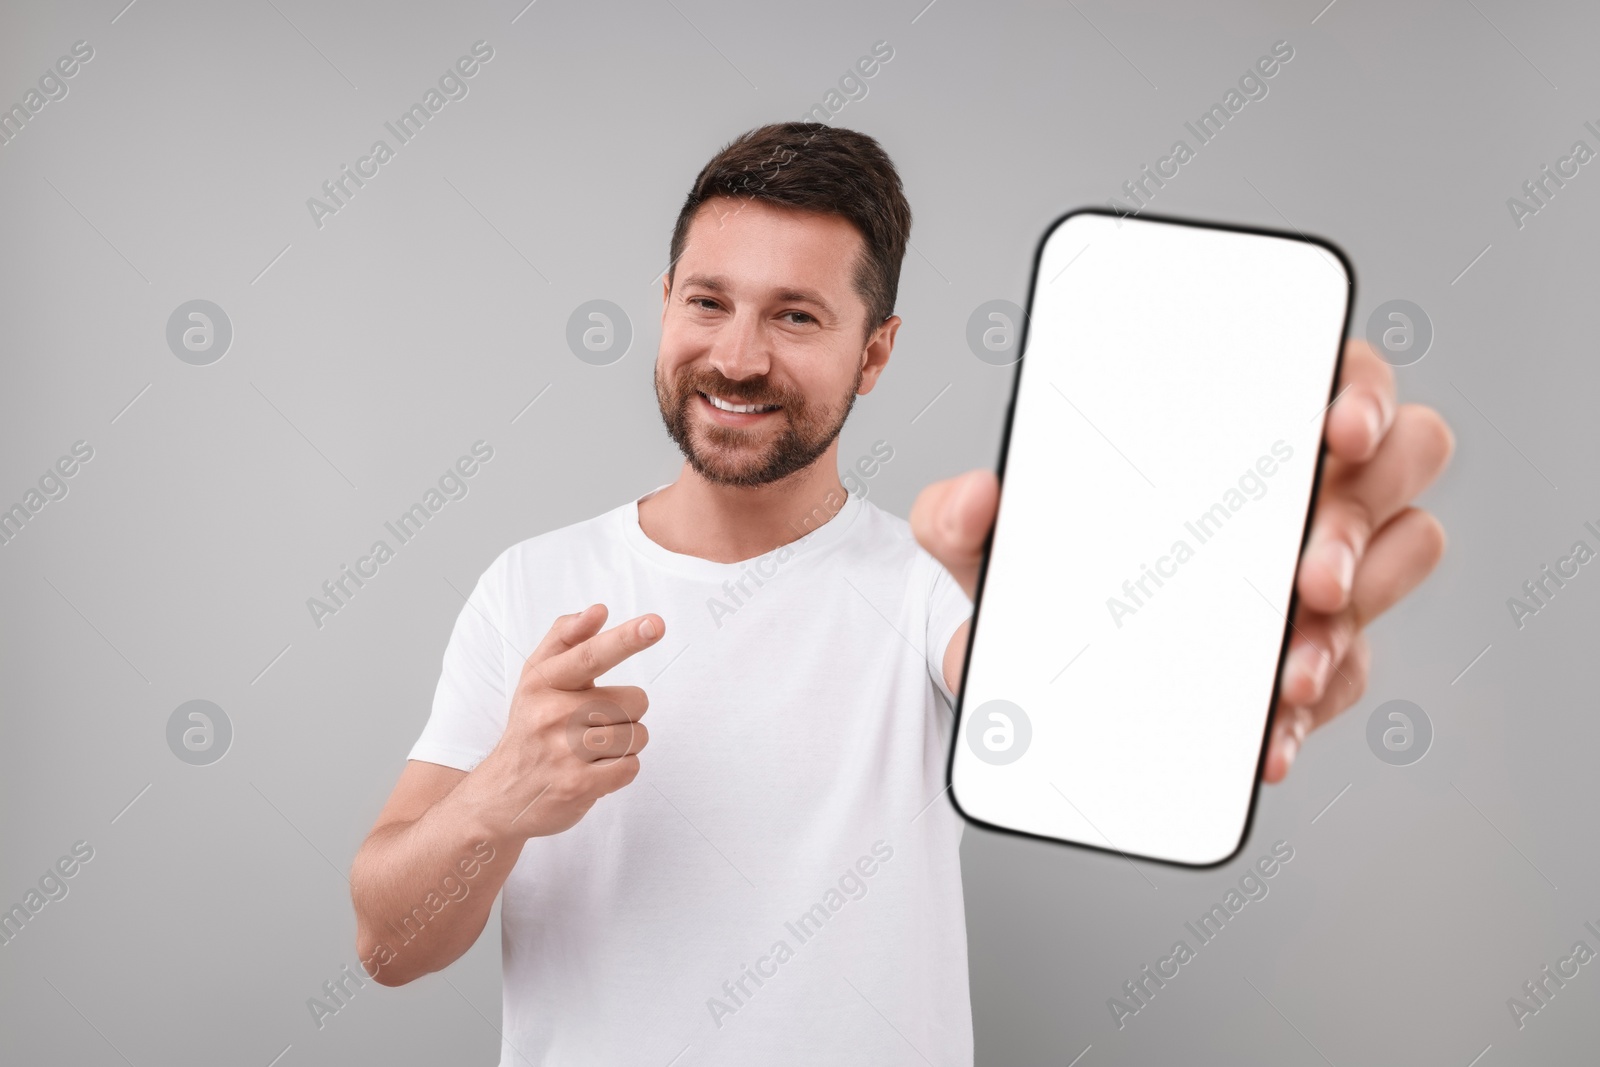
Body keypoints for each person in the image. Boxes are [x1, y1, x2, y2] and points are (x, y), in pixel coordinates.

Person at [348, 121, 1453, 1065]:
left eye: (795, 316)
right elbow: (390, 945)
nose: (735, 355)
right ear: (665, 305)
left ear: (873, 355)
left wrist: (1221, 602)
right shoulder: (532, 586)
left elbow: (1083, 702)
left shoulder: (933, 589)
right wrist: (497, 798)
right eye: (708, 300)